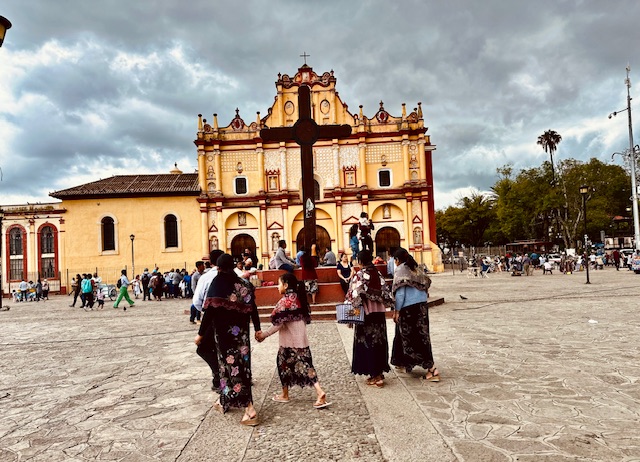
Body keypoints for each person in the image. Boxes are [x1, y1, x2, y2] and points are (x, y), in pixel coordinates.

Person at [195, 253, 262, 426]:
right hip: (242, 337)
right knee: (240, 368)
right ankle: (224, 400)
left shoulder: (218, 283)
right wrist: (257, 328)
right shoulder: (243, 284)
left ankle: (250, 409)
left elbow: (209, 311)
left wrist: (200, 334)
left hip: (224, 336)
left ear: (218, 267)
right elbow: (253, 308)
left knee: (231, 369)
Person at [255, 273, 330, 409]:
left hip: (288, 343)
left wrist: (264, 335)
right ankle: (318, 391)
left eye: (279, 283)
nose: (277, 287)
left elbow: (278, 324)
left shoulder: (284, 302)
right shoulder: (299, 299)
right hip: (301, 341)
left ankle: (286, 395)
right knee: (307, 367)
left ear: (285, 285)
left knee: (282, 365)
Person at [390, 248, 440, 382]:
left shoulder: (401, 270)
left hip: (409, 308)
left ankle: (432, 369)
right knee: (418, 336)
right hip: (422, 307)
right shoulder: (415, 268)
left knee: (414, 338)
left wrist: (397, 311)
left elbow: (401, 294)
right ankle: (401, 362)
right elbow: (426, 283)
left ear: (397, 260)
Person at [346, 249, 394, 387]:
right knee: (379, 342)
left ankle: (375, 376)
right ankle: (379, 371)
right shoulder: (377, 273)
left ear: (360, 261)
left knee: (368, 343)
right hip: (379, 315)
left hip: (366, 315)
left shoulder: (360, 275)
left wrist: (351, 316)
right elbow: (386, 293)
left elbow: (354, 296)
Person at [192, 249, 225, 388]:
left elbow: (197, 301)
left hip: (211, 318)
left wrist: (204, 311)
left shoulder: (206, 278)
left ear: (210, 262)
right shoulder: (236, 276)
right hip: (232, 319)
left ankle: (218, 374)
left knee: (204, 348)